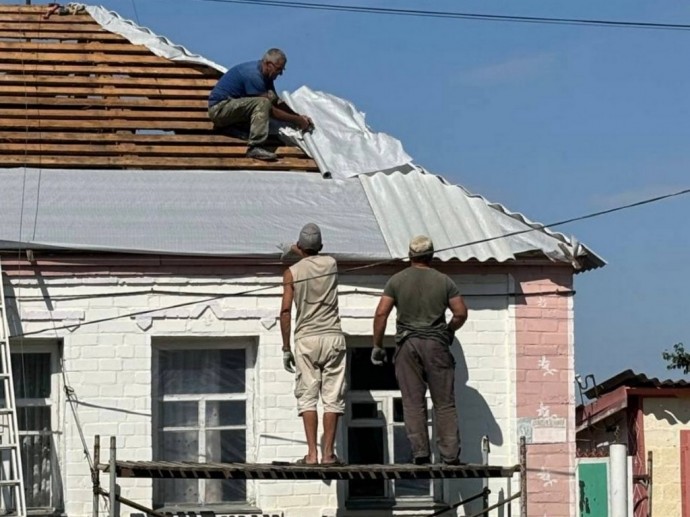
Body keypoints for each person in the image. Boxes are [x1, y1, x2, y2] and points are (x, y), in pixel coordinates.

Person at [371, 235, 468, 465]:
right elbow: (461, 313)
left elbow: (381, 313)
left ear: (410, 255)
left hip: (408, 345)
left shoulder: (396, 281)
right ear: (431, 255)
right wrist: (448, 330)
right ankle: (450, 455)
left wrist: (377, 345)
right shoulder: (444, 281)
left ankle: (420, 453)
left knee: (413, 401)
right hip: (436, 346)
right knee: (444, 403)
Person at [279, 223, 347, 465]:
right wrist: (302, 249)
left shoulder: (291, 272)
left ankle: (311, 454)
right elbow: (315, 256)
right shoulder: (331, 264)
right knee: (332, 397)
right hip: (332, 337)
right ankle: (328, 454)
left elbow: (286, 311)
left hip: (306, 338)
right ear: (321, 246)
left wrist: (286, 348)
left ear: (299, 246)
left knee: (307, 396)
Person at [208, 48, 314, 162]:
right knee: (263, 103)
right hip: (220, 110)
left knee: (266, 102)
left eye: (282, 69)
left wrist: (298, 116)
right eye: (279, 69)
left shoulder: (266, 76)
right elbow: (271, 109)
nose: (281, 73)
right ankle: (255, 147)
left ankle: (232, 128)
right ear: (268, 64)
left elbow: (276, 101)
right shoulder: (253, 75)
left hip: (233, 111)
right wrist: (297, 120)